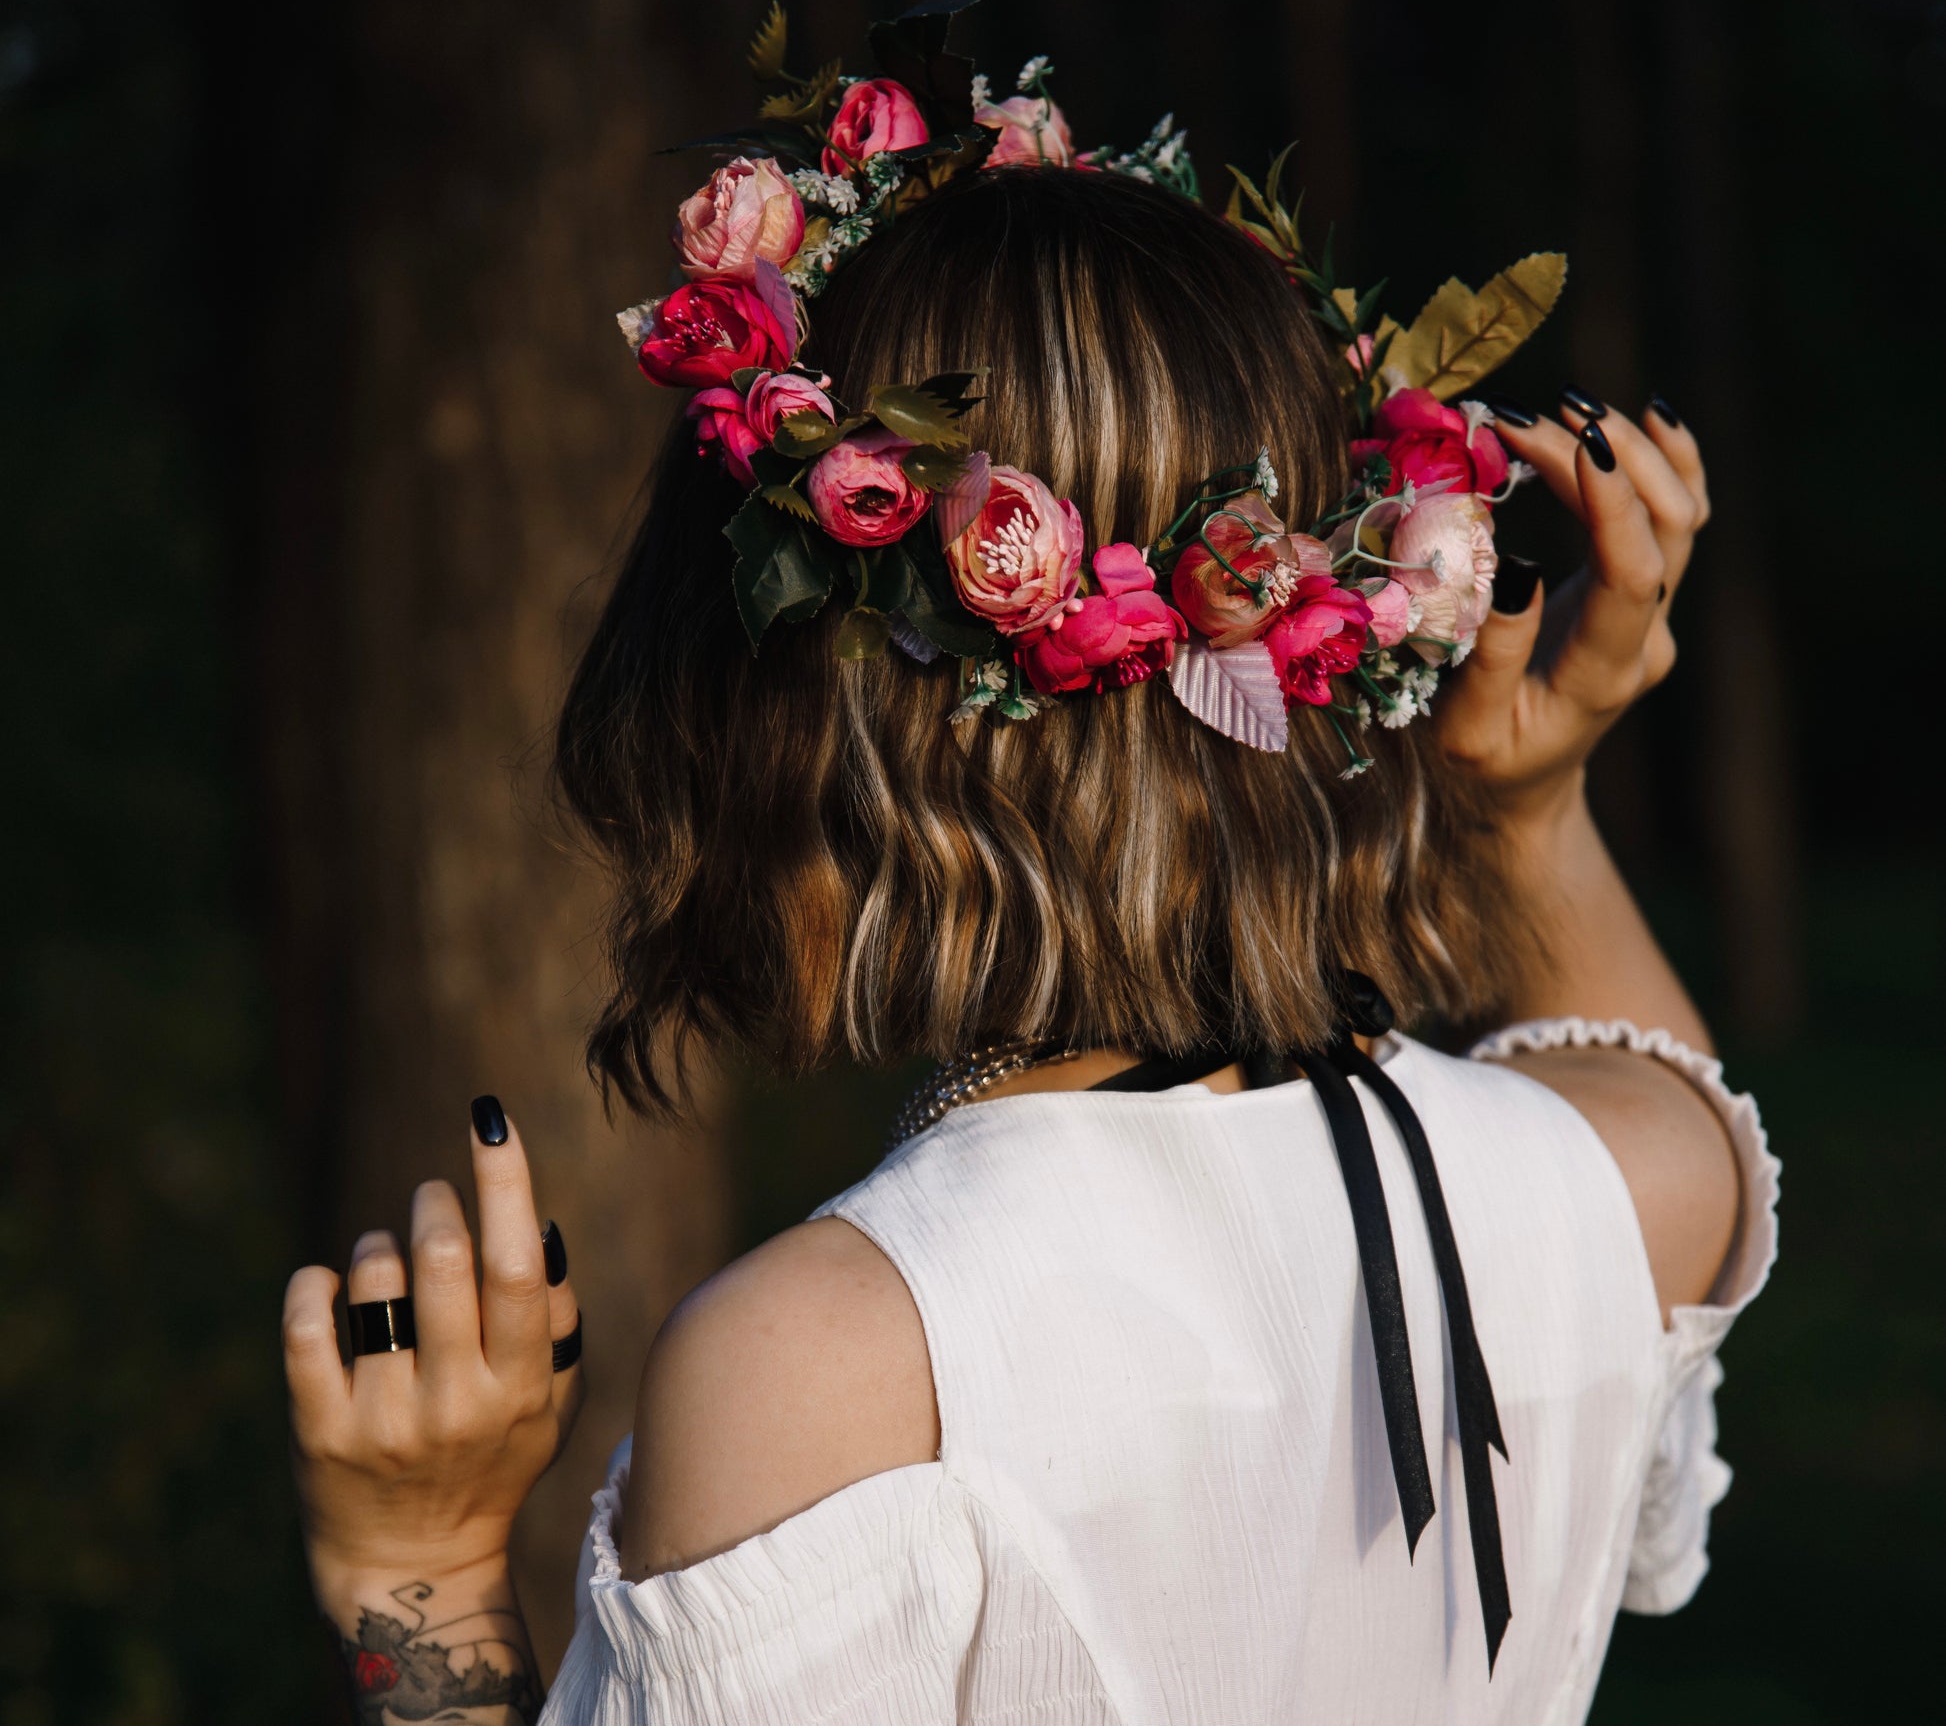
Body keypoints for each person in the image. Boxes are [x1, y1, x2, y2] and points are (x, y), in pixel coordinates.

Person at [282, 149, 1776, 1724]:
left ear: (803, 717)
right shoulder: (1627, 1186)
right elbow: (1646, 1066)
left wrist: (419, 1569)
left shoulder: (838, 1362)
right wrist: (1530, 805)